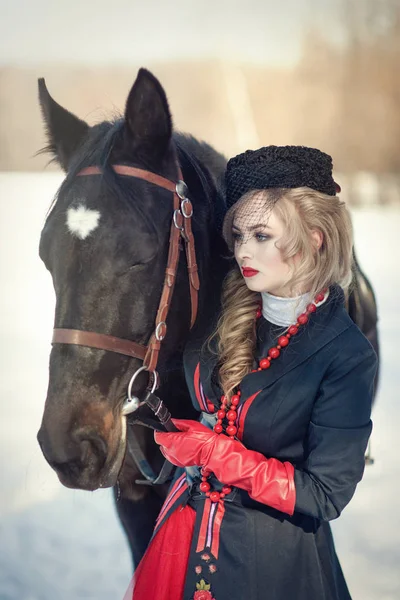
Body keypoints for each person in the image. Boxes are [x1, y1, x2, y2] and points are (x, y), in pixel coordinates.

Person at [126, 146, 377, 600]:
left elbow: (325, 494)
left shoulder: (345, 354)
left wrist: (214, 453)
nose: (243, 250)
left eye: (262, 235)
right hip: (186, 545)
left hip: (272, 567)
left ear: (315, 237)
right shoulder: (221, 314)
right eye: (238, 234)